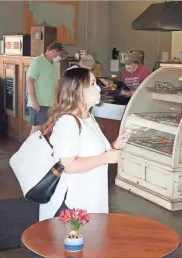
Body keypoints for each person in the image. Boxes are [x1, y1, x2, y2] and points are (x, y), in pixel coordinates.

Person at [39, 68, 131, 221]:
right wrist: (105, 158)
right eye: (93, 84)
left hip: (90, 197)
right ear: (77, 90)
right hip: (72, 203)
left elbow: (91, 152)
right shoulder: (68, 122)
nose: (98, 88)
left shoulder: (88, 117)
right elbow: (68, 165)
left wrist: (114, 146)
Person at [26, 41, 66, 135]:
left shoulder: (54, 64)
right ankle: (29, 149)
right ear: (53, 51)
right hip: (39, 103)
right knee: (37, 129)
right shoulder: (38, 61)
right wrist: (35, 102)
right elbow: (29, 81)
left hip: (50, 104)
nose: (59, 58)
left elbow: (56, 84)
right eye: (59, 55)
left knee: (46, 129)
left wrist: (56, 101)